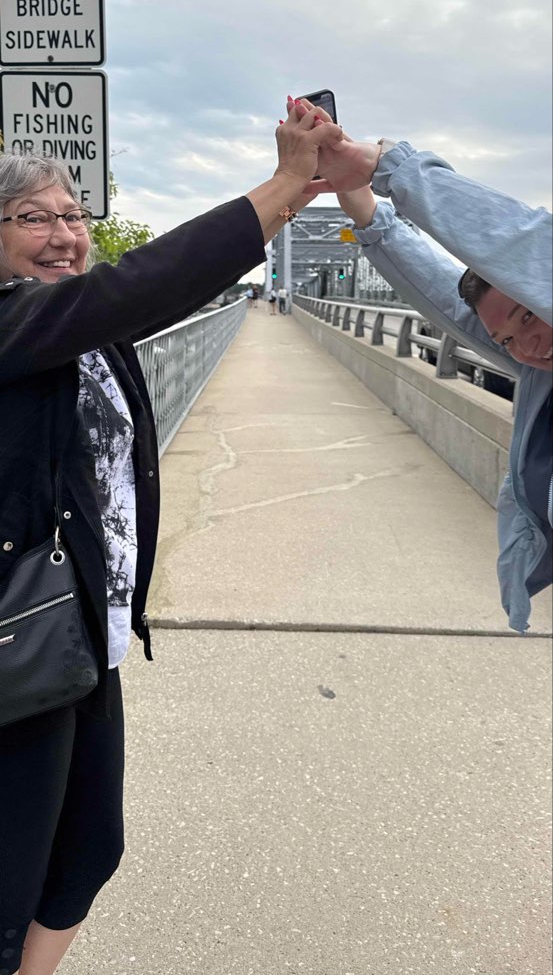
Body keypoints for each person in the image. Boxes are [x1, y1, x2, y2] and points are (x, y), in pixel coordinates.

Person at [0, 104, 342, 975]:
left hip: (84, 641)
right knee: (8, 880)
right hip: (16, 653)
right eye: (33, 217)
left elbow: (151, 292)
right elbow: (139, 284)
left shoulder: (87, 338)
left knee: (87, 852)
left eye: (74, 215)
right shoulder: (15, 331)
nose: (64, 235)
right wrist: (277, 191)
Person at [285, 96, 552, 634]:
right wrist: (361, 204)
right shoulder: (541, 367)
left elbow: (529, 249)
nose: (526, 347)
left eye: (529, 313)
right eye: (507, 338)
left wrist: (389, 168)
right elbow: (452, 307)